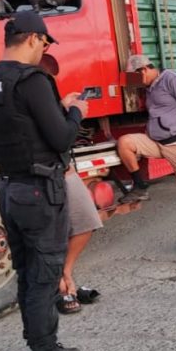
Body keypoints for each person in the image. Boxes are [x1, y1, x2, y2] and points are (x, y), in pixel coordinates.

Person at [0, 11, 87, 351]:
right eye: (46, 42)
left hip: (9, 188)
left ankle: (40, 345)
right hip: (39, 191)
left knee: (27, 274)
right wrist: (76, 112)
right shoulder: (33, 79)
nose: (45, 49)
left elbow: (19, 123)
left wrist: (58, 109)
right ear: (34, 39)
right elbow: (61, 137)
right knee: (44, 277)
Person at [116, 55, 176, 256]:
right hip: (157, 143)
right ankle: (140, 187)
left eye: (135, 77)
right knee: (125, 143)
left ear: (143, 70)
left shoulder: (172, 80)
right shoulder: (150, 88)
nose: (135, 83)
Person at [39, 54, 102, 314]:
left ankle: (65, 273)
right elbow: (59, 136)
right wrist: (74, 113)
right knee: (50, 234)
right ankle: (62, 285)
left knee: (86, 220)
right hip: (45, 172)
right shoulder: (25, 90)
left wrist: (64, 107)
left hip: (64, 168)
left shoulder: (43, 89)